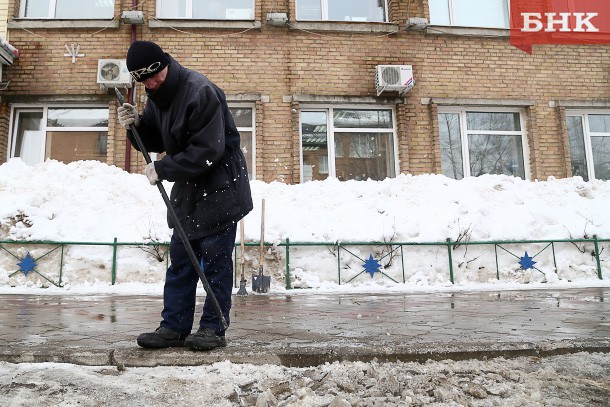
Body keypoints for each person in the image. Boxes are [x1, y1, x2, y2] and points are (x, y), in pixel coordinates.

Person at [117, 41, 253, 351]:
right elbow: (150, 138)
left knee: (215, 261)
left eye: (154, 76)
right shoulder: (157, 98)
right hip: (189, 187)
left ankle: (213, 328)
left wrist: (164, 168)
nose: (151, 84)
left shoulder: (199, 91)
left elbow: (207, 150)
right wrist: (134, 125)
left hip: (220, 184)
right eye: (144, 81)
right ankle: (174, 326)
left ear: (164, 64)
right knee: (181, 260)